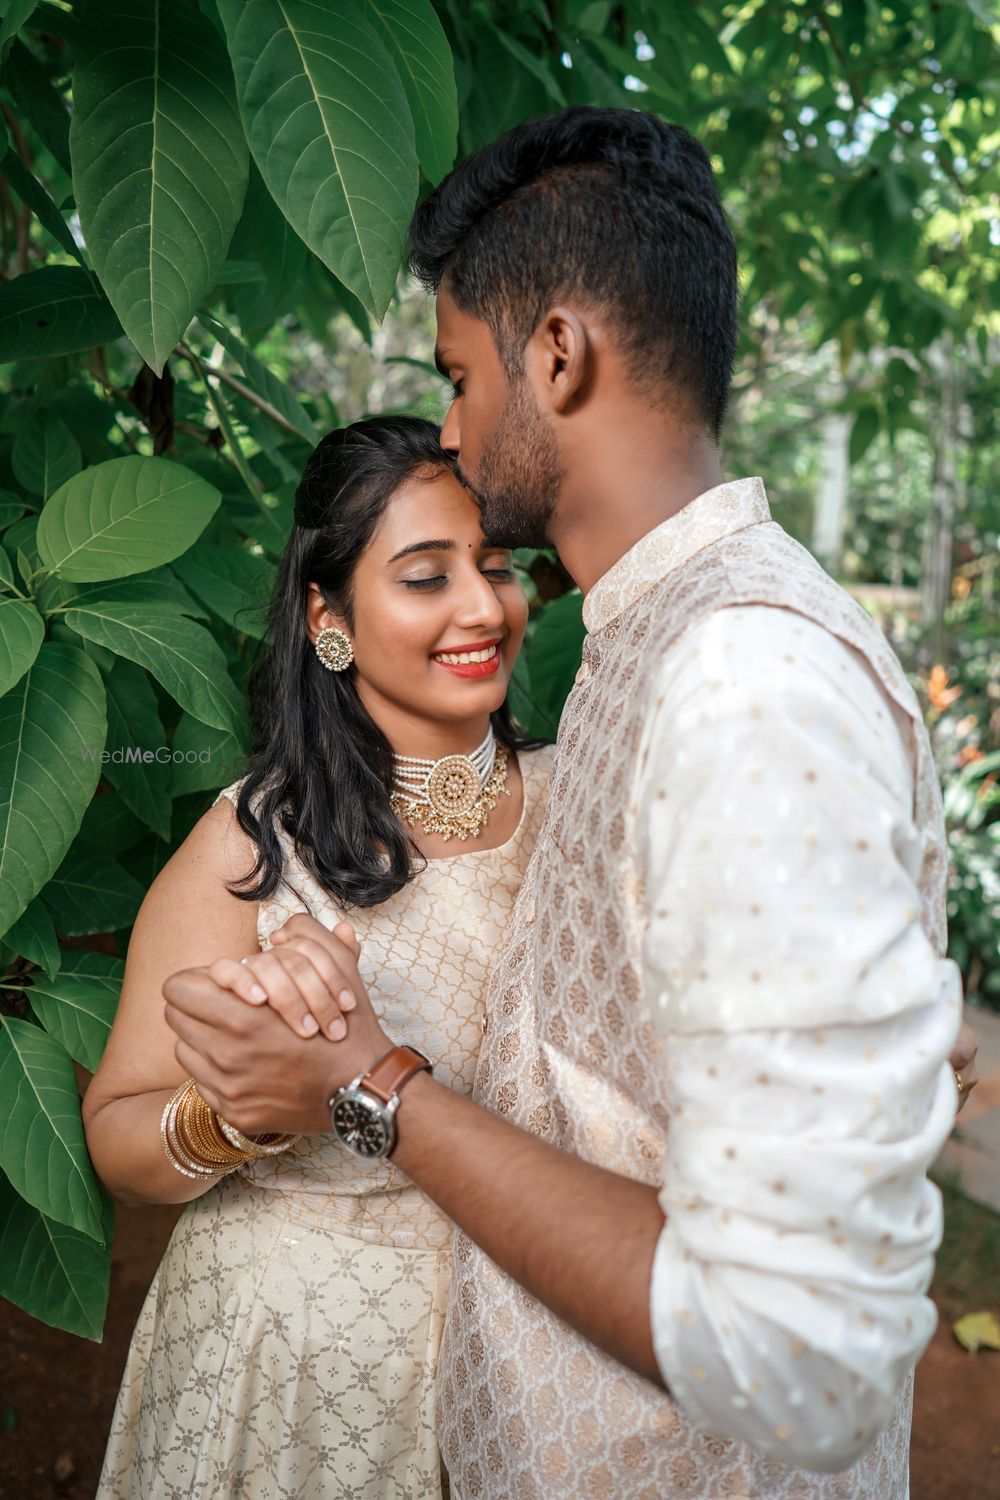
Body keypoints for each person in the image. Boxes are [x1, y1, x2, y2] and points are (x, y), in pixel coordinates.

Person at [164, 108, 977, 1498]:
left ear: (557, 352)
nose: (453, 427)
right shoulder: (641, 645)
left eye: (462, 377)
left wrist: (369, 1084)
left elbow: (800, 1351)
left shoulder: (740, 680)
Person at [84, 415, 554, 1499]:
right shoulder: (254, 841)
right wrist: (239, 1112)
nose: (483, 607)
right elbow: (118, 1132)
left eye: (496, 567)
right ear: (327, 616)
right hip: (288, 1376)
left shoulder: (588, 803)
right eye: (427, 578)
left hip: (537, 1364)